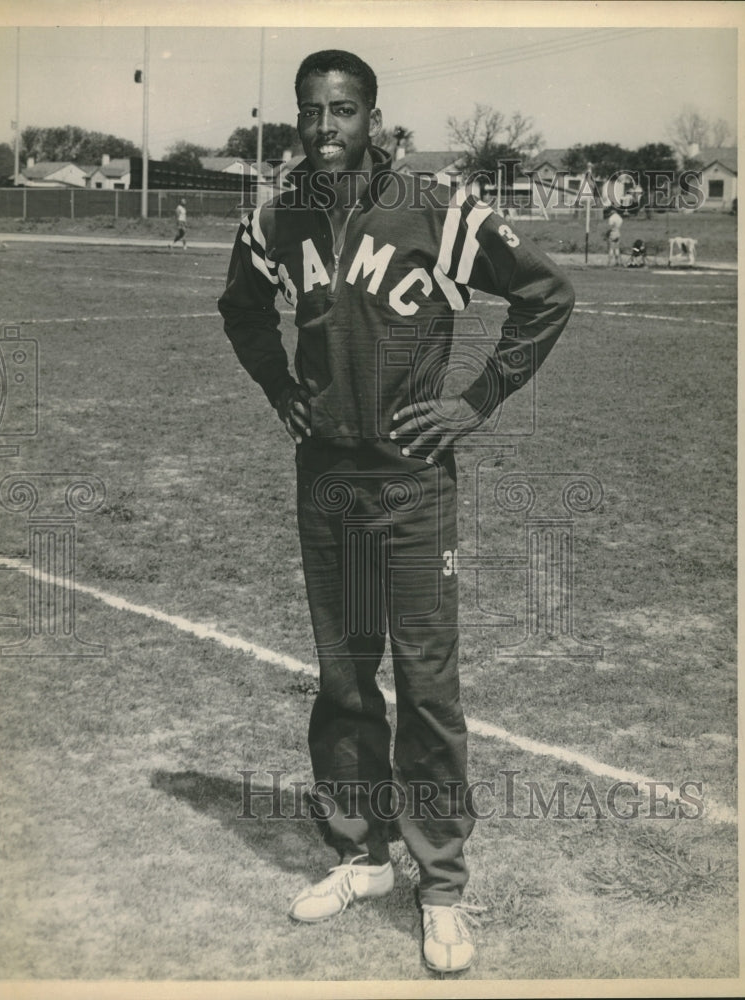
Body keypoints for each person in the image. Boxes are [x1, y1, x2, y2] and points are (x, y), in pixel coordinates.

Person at [218, 49, 574, 975]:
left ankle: (442, 886)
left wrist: (476, 400)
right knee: (343, 680)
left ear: (372, 118)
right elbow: (242, 309)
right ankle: (362, 855)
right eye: (310, 111)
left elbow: (545, 292)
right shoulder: (279, 214)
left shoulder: (434, 207)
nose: (324, 128)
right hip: (326, 481)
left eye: (342, 110)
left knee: (426, 688)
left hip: (413, 486)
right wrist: (278, 388)